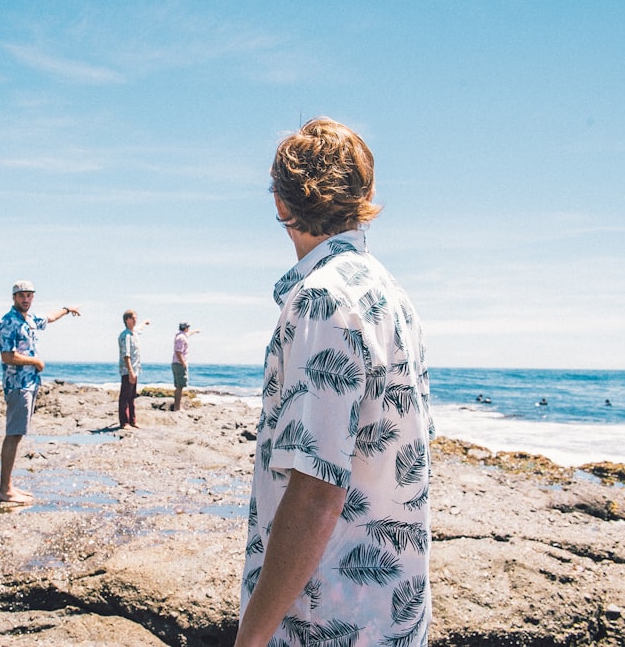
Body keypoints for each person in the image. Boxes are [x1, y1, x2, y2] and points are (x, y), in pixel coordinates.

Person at [237, 118, 433, 646]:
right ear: (365, 195)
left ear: (281, 202)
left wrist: (250, 638)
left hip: (324, 618)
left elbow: (316, 491)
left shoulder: (321, 301)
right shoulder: (392, 295)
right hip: (391, 613)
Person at [0, 280, 80, 503]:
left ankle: (9, 486)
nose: (26, 299)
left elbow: (49, 318)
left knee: (18, 434)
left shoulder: (30, 319)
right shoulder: (8, 322)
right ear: (14, 297)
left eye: (29, 295)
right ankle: (5, 490)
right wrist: (35, 361)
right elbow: (7, 356)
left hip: (30, 384)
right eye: (21, 295)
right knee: (13, 435)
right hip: (17, 385)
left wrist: (66, 309)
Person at [118, 310, 147, 428]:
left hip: (135, 369)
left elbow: (138, 329)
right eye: (133, 318)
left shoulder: (133, 333)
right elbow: (126, 355)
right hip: (127, 370)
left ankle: (132, 420)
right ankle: (124, 422)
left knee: (132, 396)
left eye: (136, 318)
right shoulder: (126, 336)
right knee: (125, 396)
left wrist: (145, 323)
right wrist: (130, 371)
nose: (135, 320)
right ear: (127, 320)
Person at [171, 322, 199, 411]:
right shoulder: (181, 338)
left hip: (176, 363)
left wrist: (195, 331)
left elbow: (188, 334)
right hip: (179, 364)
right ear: (186, 328)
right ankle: (177, 408)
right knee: (180, 386)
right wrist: (183, 363)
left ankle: (177, 406)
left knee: (178, 386)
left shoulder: (180, 335)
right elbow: (178, 352)